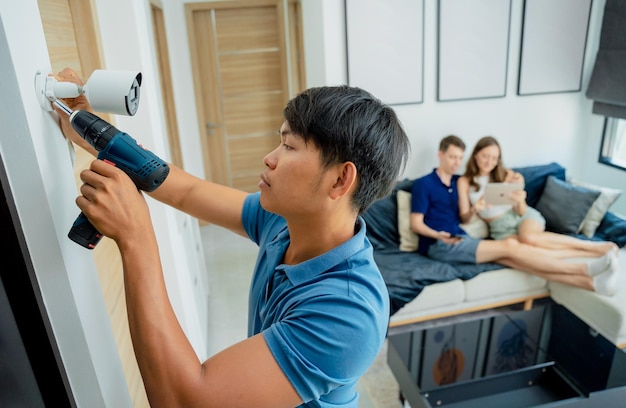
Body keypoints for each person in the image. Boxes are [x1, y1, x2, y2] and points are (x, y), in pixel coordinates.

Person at [53, 68, 410, 408]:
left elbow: (181, 402)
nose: (269, 159)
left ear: (339, 181)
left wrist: (136, 238)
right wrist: (80, 121)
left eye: (289, 147)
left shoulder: (349, 313)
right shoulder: (283, 221)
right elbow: (183, 189)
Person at [410, 135, 618, 297]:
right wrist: (439, 235)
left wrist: (513, 193)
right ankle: (585, 269)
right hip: (439, 244)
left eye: (459, 158)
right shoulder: (424, 183)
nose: (456, 162)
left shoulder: (456, 182)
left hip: (461, 237)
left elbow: (465, 217)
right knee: (512, 247)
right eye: (452, 157)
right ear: (440, 155)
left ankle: (592, 283)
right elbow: (416, 224)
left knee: (515, 259)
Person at [458, 136, 618, 259]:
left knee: (529, 238)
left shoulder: (507, 175)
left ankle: (592, 248)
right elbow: (465, 218)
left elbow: (521, 211)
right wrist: (475, 209)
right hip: (499, 228)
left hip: (522, 217)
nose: (490, 162)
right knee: (531, 251)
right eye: (486, 156)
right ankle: (589, 255)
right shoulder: (464, 181)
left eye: (494, 158)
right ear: (475, 155)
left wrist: (519, 199)